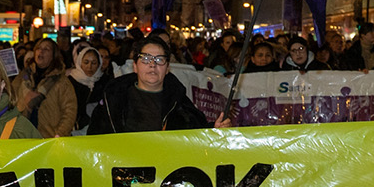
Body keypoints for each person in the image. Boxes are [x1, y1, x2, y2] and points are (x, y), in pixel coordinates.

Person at [88, 34, 230, 134]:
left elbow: (198, 134)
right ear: (135, 66)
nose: (152, 65)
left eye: (159, 59)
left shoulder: (178, 101)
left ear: (167, 67)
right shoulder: (112, 100)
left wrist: (215, 129)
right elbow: (95, 142)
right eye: (146, 59)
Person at [12, 36, 77, 138]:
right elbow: (10, 98)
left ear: (53, 55)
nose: (41, 51)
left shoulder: (61, 81)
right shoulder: (23, 76)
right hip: (23, 135)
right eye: (38, 48)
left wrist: (60, 133)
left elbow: (69, 110)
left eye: (46, 49)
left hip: (48, 136)